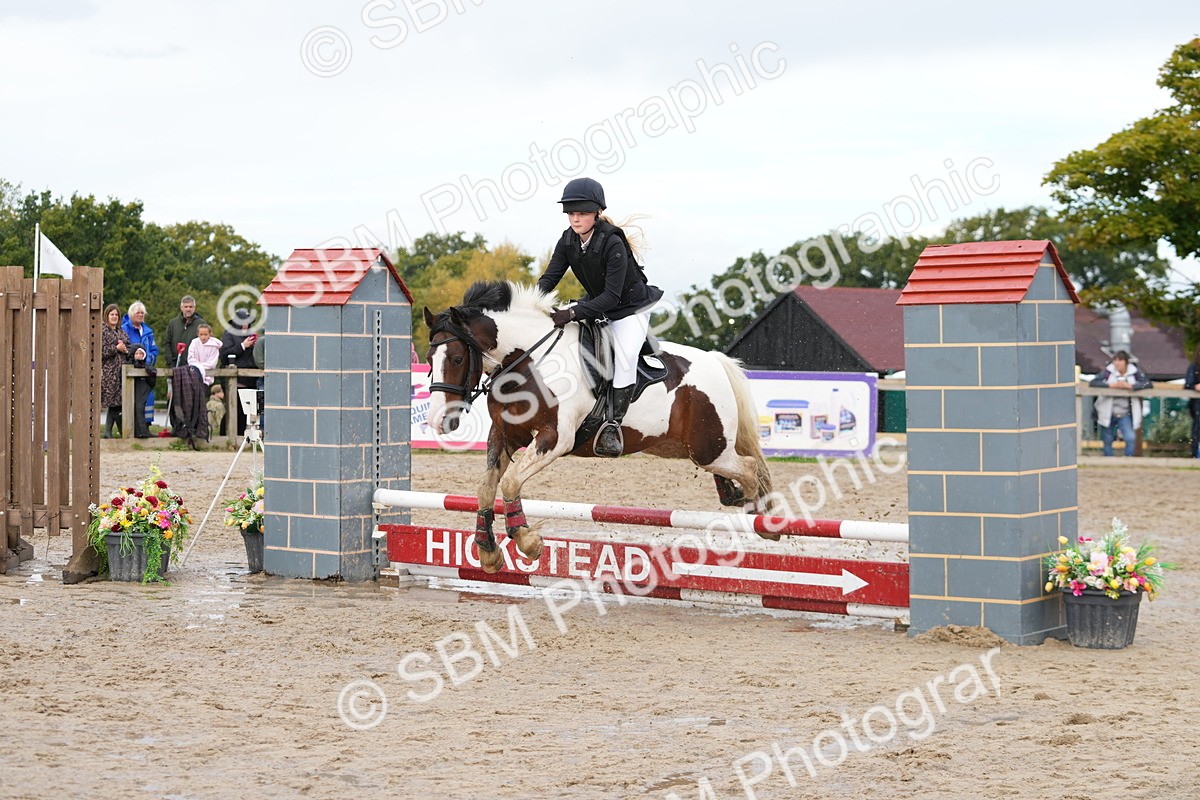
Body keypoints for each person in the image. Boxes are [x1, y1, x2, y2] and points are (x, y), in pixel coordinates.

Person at [536, 177, 664, 457]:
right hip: (598, 305)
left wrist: (571, 312)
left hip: (629, 309)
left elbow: (612, 298)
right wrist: (531, 303)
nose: (575, 218)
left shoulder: (612, 242)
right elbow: (550, 278)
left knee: (627, 356)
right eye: (571, 213)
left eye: (581, 213)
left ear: (596, 213)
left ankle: (612, 425)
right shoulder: (568, 239)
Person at [1090, 350, 1151, 456]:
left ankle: (1127, 459)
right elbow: (1093, 383)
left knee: (1130, 437)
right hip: (1108, 411)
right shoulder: (1108, 372)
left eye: (1120, 360)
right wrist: (1110, 386)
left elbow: (1148, 383)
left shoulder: (1135, 372)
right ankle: (1109, 461)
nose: (1117, 363)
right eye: (1115, 360)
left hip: (1125, 412)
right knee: (1107, 439)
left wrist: (1131, 386)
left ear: (1126, 362)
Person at [120, 301, 159, 438]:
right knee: (133, 401)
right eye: (138, 313)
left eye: (142, 313)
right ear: (131, 314)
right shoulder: (124, 329)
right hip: (132, 370)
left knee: (147, 399)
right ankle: (134, 431)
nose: (141, 315)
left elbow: (154, 349)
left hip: (146, 370)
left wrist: (150, 360)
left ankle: (146, 428)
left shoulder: (148, 331)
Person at [219, 308, 259, 435]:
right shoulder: (228, 334)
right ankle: (225, 437)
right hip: (232, 380)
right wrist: (243, 346)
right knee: (232, 410)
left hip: (250, 380)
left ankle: (240, 437)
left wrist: (256, 346)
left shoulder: (251, 334)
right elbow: (224, 355)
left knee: (244, 412)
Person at [100, 303, 131, 438]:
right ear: (106, 316)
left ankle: (111, 432)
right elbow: (100, 351)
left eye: (116, 315)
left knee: (118, 402)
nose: (114, 317)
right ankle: (112, 431)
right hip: (108, 372)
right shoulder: (102, 330)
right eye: (112, 314)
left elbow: (129, 346)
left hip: (121, 372)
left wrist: (126, 350)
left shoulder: (121, 331)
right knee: (112, 402)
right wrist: (116, 349)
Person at [161, 295, 206, 370]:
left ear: (194, 308)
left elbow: (205, 343)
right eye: (186, 307)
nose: (188, 309)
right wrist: (170, 361)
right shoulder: (173, 323)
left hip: (194, 367)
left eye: (191, 307)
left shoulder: (201, 324)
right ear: (181, 308)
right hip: (175, 366)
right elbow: (167, 342)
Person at [1185, 344, 1200, 458]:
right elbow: (1188, 384)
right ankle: (1195, 454)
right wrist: (1196, 386)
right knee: (1197, 428)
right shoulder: (1194, 367)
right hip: (1197, 403)